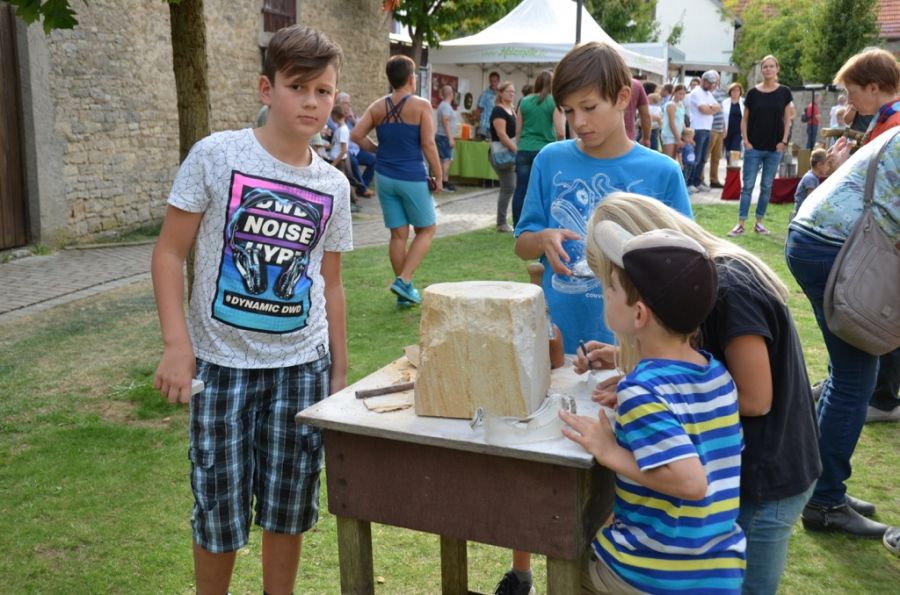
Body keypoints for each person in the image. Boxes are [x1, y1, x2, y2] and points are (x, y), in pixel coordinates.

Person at [150, 25, 351, 595]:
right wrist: (177, 345)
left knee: (289, 507)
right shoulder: (216, 155)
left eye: (323, 91)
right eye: (297, 87)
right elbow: (168, 253)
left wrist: (338, 372)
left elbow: (331, 283)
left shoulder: (333, 185)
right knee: (219, 511)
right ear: (267, 89)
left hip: (301, 369)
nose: (311, 102)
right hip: (220, 368)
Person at [503, 41, 692, 595]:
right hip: (556, 344)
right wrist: (542, 237)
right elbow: (521, 240)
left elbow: (684, 265)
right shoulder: (550, 159)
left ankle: (600, 570)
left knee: (615, 475)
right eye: (568, 110)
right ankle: (522, 571)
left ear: (623, 98)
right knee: (535, 464)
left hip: (632, 356)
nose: (578, 121)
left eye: (589, 107)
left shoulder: (661, 172)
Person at [579, 192, 821, 595]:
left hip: (768, 476)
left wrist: (651, 395)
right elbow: (701, 365)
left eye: (611, 283)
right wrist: (626, 361)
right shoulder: (697, 283)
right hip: (732, 476)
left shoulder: (731, 287)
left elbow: (755, 398)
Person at [562, 217, 745, 595]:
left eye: (612, 287)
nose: (605, 291)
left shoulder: (641, 390)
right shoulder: (717, 374)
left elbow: (691, 482)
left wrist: (608, 450)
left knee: (566, 568)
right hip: (715, 573)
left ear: (639, 315)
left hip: (653, 574)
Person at [786, 48, 900, 543]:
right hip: (832, 247)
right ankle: (825, 500)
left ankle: (817, 484)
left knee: (847, 375)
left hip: (817, 239)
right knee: (856, 379)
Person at [351, 55, 443, 306]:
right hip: (411, 176)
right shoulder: (421, 105)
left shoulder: (377, 106)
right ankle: (404, 280)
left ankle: (404, 291)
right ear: (411, 78)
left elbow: (356, 134)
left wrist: (376, 150)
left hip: (384, 177)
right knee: (427, 229)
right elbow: (428, 143)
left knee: (398, 235)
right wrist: (439, 174)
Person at [728, 55, 793, 237]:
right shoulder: (752, 93)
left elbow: (788, 119)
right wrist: (746, 141)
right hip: (753, 147)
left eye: (771, 66)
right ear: (761, 70)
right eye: (765, 66)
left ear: (777, 69)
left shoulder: (784, 92)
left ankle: (759, 223)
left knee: (766, 187)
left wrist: (784, 141)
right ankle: (741, 223)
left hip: (774, 148)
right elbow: (744, 120)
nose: (768, 69)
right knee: (748, 186)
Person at [512, 69, 565, 226]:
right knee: (545, 190)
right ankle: (541, 223)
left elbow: (517, 130)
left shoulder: (524, 101)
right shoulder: (553, 102)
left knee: (521, 189)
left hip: (524, 149)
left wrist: (520, 146)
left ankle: (518, 224)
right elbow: (561, 132)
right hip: (545, 151)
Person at [329, 92, 376, 198]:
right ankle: (363, 189)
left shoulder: (351, 116)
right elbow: (336, 130)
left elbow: (363, 130)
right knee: (353, 163)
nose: (349, 106)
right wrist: (342, 118)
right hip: (344, 150)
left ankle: (363, 186)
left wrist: (353, 120)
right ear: (339, 104)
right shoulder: (334, 117)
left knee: (374, 160)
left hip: (355, 149)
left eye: (349, 103)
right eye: (346, 103)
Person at [685, 70, 721, 192]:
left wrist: (709, 108)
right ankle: (690, 182)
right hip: (698, 128)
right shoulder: (696, 93)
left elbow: (718, 107)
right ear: (703, 81)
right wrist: (711, 108)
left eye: (713, 83)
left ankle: (697, 181)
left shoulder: (708, 94)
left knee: (703, 158)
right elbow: (703, 110)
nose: (711, 85)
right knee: (695, 157)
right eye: (709, 83)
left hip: (707, 128)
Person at [490, 80, 518, 233]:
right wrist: (516, 150)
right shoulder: (498, 111)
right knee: (508, 187)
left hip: (510, 153)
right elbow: (501, 135)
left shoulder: (511, 109)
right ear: (500, 93)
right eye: (508, 91)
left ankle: (503, 222)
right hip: (503, 153)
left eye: (513, 91)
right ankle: (501, 223)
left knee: (509, 187)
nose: (512, 94)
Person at [328, 104, 362, 213]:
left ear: (336, 115)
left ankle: (351, 203)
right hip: (337, 158)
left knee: (343, 183)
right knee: (345, 181)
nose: (331, 118)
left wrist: (334, 163)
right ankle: (354, 201)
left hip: (339, 161)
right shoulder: (339, 128)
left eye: (332, 115)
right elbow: (336, 145)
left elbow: (343, 150)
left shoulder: (343, 130)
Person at [792, 147, 828, 218]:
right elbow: (811, 199)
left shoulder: (814, 177)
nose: (828, 167)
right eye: (827, 164)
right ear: (819, 165)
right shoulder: (810, 178)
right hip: (802, 214)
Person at [435, 84, 458, 192]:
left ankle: (442, 181)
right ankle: (444, 182)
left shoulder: (443, 105)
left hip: (442, 136)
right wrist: (450, 138)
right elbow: (445, 121)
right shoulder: (445, 106)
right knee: (447, 160)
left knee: (443, 159)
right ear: (451, 94)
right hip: (444, 136)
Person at [709, 74, 727, 188]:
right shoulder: (709, 93)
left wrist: (724, 128)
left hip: (720, 129)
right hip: (712, 128)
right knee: (706, 155)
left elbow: (722, 110)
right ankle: (700, 179)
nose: (717, 81)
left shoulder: (720, 92)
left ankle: (714, 179)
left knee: (717, 156)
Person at [661, 83, 687, 163]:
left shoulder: (681, 105)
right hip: (669, 135)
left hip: (678, 135)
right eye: (680, 93)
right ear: (674, 93)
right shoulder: (671, 105)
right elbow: (671, 123)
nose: (681, 96)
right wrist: (678, 138)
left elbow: (681, 121)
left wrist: (685, 134)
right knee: (668, 160)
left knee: (675, 160)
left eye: (683, 94)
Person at [722, 82, 745, 164]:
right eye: (733, 90)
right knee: (728, 152)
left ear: (740, 92)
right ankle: (729, 168)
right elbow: (722, 117)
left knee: (735, 150)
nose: (735, 92)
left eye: (737, 90)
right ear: (730, 92)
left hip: (738, 131)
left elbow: (746, 117)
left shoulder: (744, 102)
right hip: (727, 131)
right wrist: (723, 129)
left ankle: (734, 168)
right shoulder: (725, 102)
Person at [623, 78, 650, 146]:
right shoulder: (635, 84)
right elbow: (645, 114)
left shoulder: (599, 79)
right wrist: (646, 138)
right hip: (627, 137)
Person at [474, 71, 500, 140]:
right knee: (484, 145)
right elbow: (478, 110)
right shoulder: (484, 94)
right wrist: (477, 123)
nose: (493, 83)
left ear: (498, 81)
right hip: (485, 127)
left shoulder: (500, 95)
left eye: (495, 81)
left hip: (496, 126)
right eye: (491, 81)